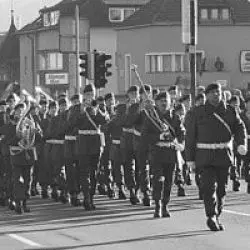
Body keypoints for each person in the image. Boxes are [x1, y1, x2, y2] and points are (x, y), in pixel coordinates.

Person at [185, 83, 247, 231]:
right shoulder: (197, 112)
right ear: (206, 95)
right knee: (208, 187)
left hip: (223, 156)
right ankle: (211, 215)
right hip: (204, 156)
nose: (216, 95)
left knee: (221, 189)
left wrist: (241, 143)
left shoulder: (230, 111)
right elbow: (190, 136)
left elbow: (240, 127)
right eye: (212, 92)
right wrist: (190, 159)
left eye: (218, 92)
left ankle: (217, 214)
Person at [141, 91, 185, 218]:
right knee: (158, 180)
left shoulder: (175, 117)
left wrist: (181, 143)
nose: (164, 103)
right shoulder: (151, 118)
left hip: (170, 152)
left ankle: (165, 204)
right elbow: (144, 136)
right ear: (156, 103)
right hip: (157, 153)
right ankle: (157, 205)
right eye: (161, 101)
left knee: (169, 181)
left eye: (166, 100)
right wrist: (158, 136)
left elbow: (181, 132)